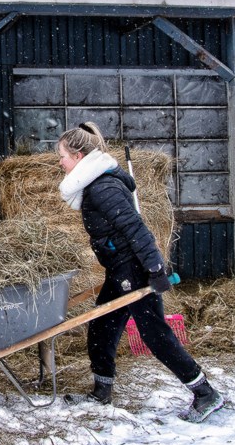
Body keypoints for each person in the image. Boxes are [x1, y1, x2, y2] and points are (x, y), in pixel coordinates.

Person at [57, 121, 223, 423]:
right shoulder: (94, 185)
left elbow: (136, 229)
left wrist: (155, 268)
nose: (60, 162)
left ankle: (205, 393)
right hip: (119, 268)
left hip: (132, 269)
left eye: (63, 156)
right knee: (103, 327)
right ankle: (102, 391)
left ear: (79, 156)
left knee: (154, 333)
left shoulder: (103, 187)